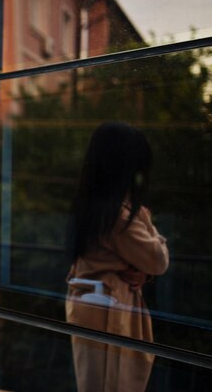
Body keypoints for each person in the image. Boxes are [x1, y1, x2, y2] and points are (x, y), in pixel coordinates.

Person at [65, 122, 169, 392]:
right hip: (111, 310)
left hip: (90, 302)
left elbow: (141, 261)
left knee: (94, 379)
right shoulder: (119, 216)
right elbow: (158, 259)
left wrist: (141, 271)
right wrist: (145, 219)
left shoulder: (92, 207)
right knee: (114, 382)